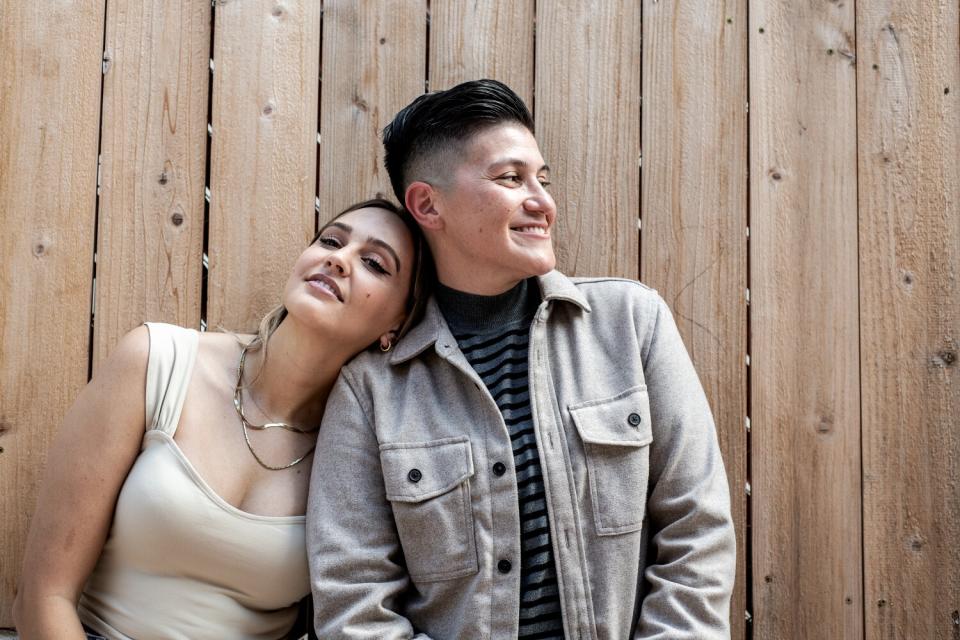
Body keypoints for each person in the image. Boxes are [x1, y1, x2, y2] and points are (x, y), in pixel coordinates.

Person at [307, 80, 736, 639]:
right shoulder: (371, 390)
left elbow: (696, 531)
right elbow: (353, 603)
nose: (543, 202)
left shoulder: (631, 323)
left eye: (543, 179)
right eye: (511, 179)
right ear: (427, 204)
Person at [13, 199, 431, 640]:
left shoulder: (362, 451)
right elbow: (43, 597)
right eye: (331, 240)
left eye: (373, 263)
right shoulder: (158, 362)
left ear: (397, 326)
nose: (339, 259)